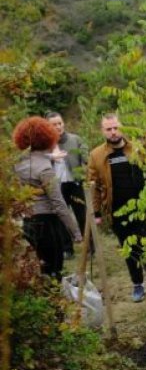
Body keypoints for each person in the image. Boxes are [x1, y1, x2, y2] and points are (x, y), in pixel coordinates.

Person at [88, 113, 146, 303]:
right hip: (117, 211)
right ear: (103, 131)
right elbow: (94, 186)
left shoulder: (137, 147)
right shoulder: (97, 155)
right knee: (129, 248)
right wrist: (98, 212)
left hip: (142, 208)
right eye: (109, 129)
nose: (113, 132)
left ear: (121, 127)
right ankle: (137, 285)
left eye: (116, 128)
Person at [13, 117, 82, 278]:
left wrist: (51, 158)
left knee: (40, 265)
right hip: (47, 223)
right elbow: (58, 204)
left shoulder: (20, 163)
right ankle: (56, 299)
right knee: (53, 267)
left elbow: (35, 160)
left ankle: (46, 297)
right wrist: (75, 231)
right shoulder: (45, 169)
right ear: (47, 138)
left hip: (28, 221)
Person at [45, 111, 89, 259]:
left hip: (75, 183)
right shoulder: (44, 144)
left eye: (60, 123)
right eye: (54, 124)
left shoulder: (74, 139)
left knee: (82, 215)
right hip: (56, 186)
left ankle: (89, 247)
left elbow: (85, 154)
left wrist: (85, 163)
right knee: (61, 218)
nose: (58, 127)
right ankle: (67, 249)